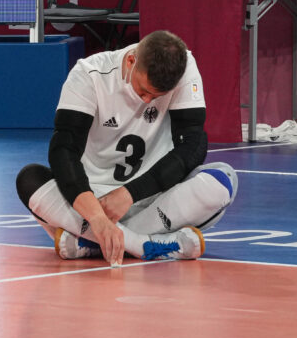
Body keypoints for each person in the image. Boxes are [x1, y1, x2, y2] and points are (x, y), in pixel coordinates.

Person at [15, 30, 237, 266]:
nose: (148, 101)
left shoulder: (185, 66)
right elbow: (64, 151)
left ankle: (94, 243)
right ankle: (144, 245)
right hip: (94, 199)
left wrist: (130, 193)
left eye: (158, 96)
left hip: (154, 196)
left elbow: (192, 147)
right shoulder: (89, 75)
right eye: (144, 90)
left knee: (223, 179)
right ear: (131, 61)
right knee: (30, 179)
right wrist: (97, 216)